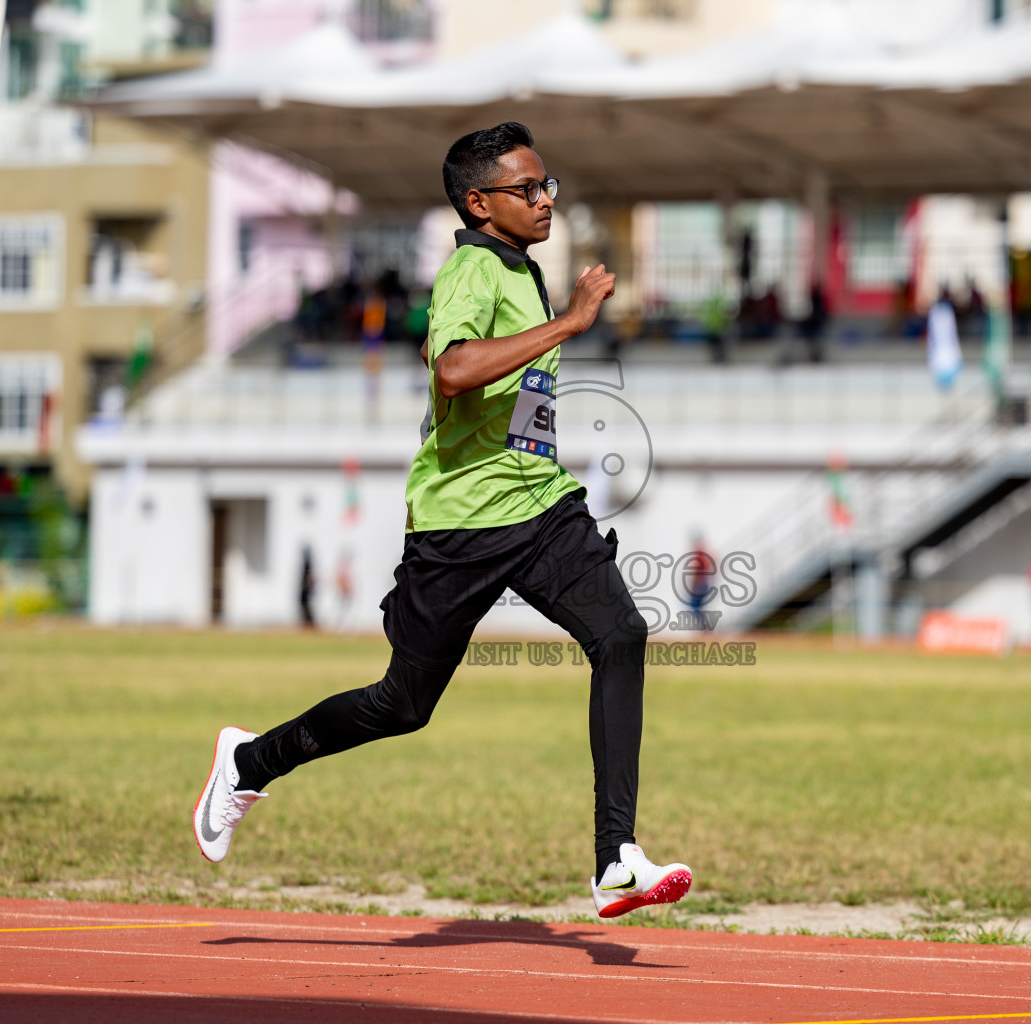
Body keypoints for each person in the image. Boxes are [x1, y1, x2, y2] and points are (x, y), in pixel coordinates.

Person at [192, 122, 692, 920]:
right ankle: (250, 761)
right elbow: (453, 370)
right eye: (526, 189)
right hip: (460, 526)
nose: (544, 199)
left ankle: (615, 859)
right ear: (478, 202)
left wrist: (556, 321)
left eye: (546, 184)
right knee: (402, 705)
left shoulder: (520, 270)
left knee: (621, 635)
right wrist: (568, 323)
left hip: (539, 505)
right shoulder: (469, 270)